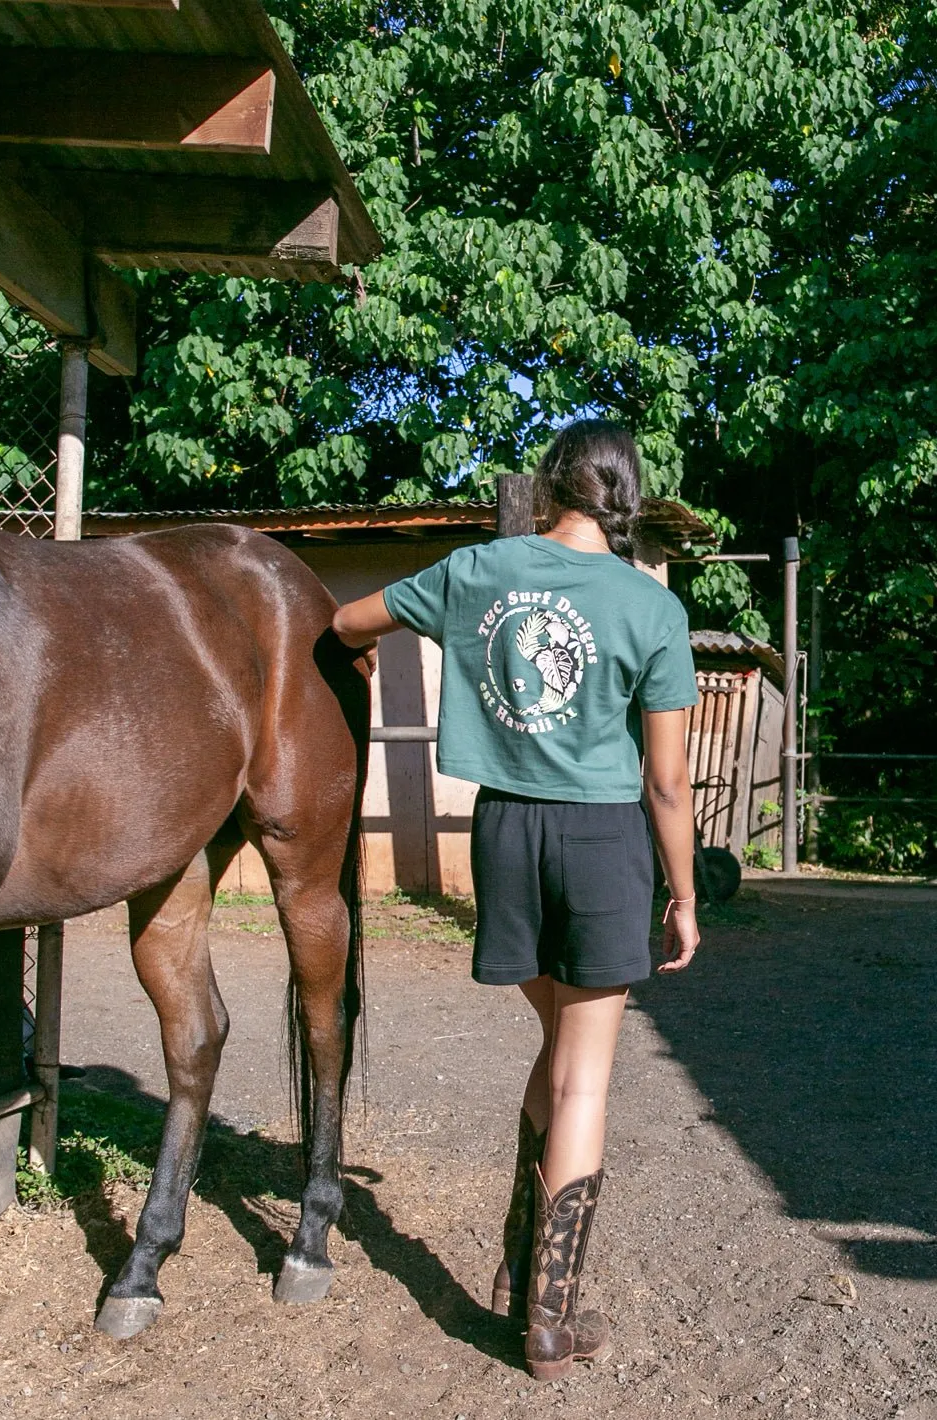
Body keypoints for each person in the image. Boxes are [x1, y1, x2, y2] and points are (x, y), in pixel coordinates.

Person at [332, 419, 700, 1380]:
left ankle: (513, 1265)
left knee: (558, 1045)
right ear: (626, 498)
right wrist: (686, 896)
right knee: (586, 1078)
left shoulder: (475, 571)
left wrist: (364, 660)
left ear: (551, 489)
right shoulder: (648, 606)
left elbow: (346, 623)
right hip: (601, 840)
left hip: (503, 836)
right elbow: (667, 785)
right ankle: (549, 1321)